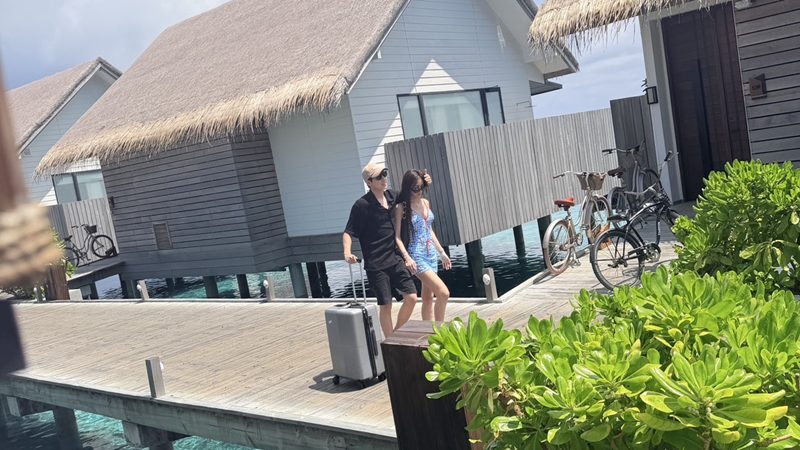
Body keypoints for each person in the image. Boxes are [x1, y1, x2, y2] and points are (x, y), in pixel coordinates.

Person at [343, 163, 428, 338]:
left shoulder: (392, 196)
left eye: (385, 174)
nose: (384, 179)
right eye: (379, 177)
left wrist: (425, 182)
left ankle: (395, 335)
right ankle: (390, 341)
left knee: (412, 296)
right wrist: (347, 253)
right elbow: (348, 232)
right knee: (386, 305)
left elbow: (411, 192)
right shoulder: (362, 205)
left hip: (394, 258)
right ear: (369, 182)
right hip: (376, 265)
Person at [393, 170, 451, 322]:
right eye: (415, 188)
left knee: (428, 298)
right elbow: (397, 237)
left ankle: (428, 331)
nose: (419, 191)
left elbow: (429, 230)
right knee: (443, 293)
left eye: (421, 187)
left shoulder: (425, 202)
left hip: (431, 254)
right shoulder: (402, 207)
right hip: (416, 254)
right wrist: (407, 258)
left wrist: (441, 252)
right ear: (408, 188)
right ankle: (440, 329)